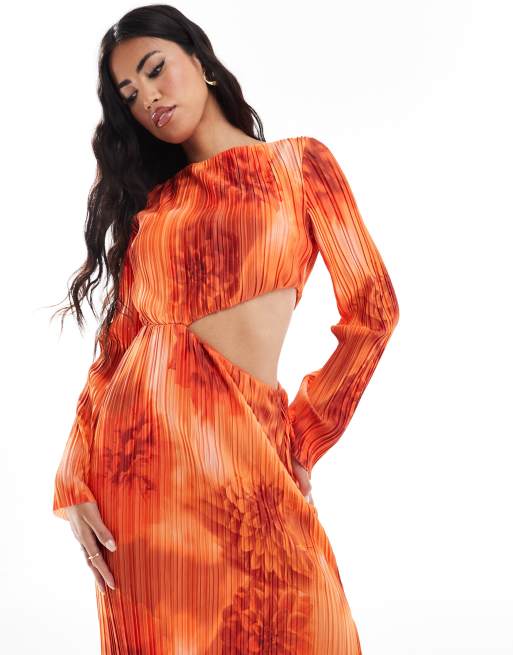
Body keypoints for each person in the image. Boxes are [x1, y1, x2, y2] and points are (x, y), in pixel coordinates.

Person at [51, 5, 399, 654]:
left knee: (311, 630)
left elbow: (373, 308)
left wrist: (306, 430)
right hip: (139, 477)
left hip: (250, 460)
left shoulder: (298, 166)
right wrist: (73, 474)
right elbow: (116, 351)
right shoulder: (155, 207)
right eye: (130, 94)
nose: (149, 98)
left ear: (201, 62)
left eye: (155, 70)